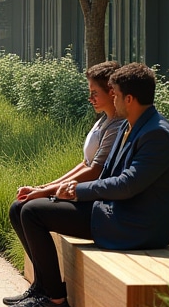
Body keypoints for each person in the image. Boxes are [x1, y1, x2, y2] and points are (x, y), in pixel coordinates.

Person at [6, 62, 169, 307]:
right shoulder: (129, 125)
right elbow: (108, 174)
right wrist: (53, 191)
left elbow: (126, 185)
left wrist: (75, 191)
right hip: (114, 210)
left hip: (135, 225)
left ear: (129, 99)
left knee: (33, 212)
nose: (113, 99)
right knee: (20, 207)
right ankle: (43, 290)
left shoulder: (157, 134)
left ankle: (55, 302)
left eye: (116, 95)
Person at [10, 61, 126, 207]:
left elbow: (95, 170)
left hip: (92, 197)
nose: (90, 99)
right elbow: (85, 163)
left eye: (94, 93)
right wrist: (44, 187)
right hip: (80, 191)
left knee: (26, 209)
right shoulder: (103, 120)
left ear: (111, 92)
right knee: (19, 207)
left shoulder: (116, 126)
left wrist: (46, 191)